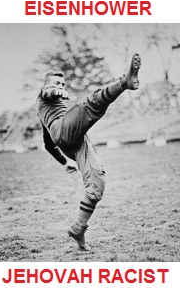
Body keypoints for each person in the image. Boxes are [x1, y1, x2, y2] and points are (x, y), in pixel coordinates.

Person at [36, 53, 141, 251]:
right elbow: (48, 91)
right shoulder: (46, 95)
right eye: (56, 83)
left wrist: (65, 162)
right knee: (89, 104)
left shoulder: (47, 111)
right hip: (63, 131)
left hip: (72, 143)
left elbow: (49, 144)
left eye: (62, 84)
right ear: (46, 85)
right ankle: (124, 83)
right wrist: (55, 91)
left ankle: (78, 228)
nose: (60, 87)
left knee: (97, 183)